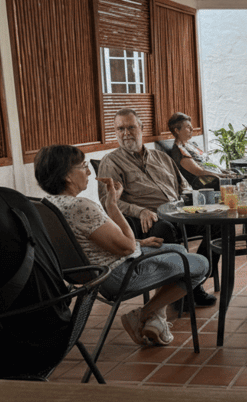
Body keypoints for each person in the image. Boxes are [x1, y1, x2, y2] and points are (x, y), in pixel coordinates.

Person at [35, 145, 209, 346]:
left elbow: (90, 241)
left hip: (90, 273)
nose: (89, 171)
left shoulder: (48, 204)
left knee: (178, 250)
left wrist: (139, 242)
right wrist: (112, 205)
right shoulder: (81, 206)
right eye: (83, 166)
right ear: (67, 177)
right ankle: (144, 314)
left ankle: (156, 320)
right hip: (118, 275)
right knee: (199, 265)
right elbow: (126, 247)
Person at [97, 108, 217, 308]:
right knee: (164, 229)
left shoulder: (162, 158)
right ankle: (178, 294)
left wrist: (192, 202)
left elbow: (184, 186)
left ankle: (195, 282)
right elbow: (107, 200)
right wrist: (140, 211)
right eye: (120, 129)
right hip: (147, 221)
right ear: (115, 132)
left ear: (141, 128)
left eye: (130, 127)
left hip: (179, 213)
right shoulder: (111, 162)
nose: (126, 133)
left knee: (216, 224)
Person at [167, 112, 229, 190]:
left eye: (191, 126)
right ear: (177, 130)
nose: (192, 129)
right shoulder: (180, 151)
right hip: (205, 183)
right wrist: (224, 176)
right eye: (187, 127)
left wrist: (224, 171)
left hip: (216, 177)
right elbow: (200, 172)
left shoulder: (191, 145)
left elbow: (207, 161)